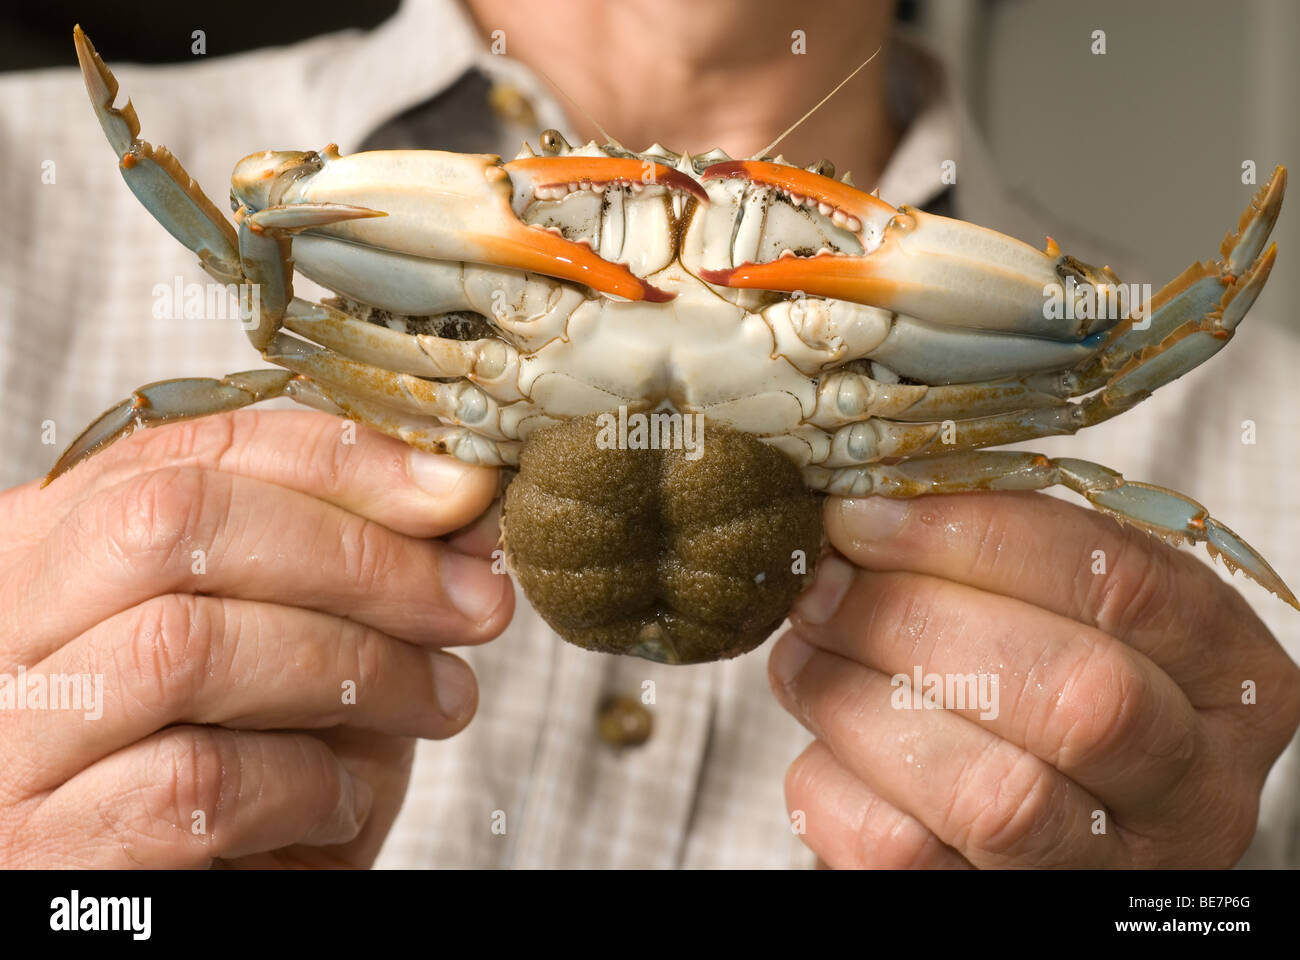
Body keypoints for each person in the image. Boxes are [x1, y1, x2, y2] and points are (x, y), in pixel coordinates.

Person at [0, 0, 1296, 868]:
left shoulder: (1189, 397)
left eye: (772, 228)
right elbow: (265, 296)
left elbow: (1087, 405)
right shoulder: (28, 189)